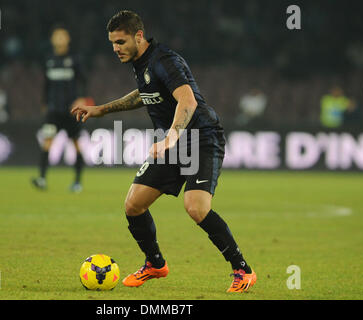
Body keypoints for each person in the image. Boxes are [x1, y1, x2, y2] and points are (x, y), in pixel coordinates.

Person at [71, 10, 256, 293]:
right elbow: (143, 94)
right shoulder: (139, 63)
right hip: (174, 142)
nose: (115, 49)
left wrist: (170, 137)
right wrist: (101, 109)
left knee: (196, 207)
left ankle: (242, 269)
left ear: (139, 36)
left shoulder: (164, 60)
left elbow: (188, 100)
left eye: (120, 42)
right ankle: (155, 264)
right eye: (112, 43)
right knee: (133, 205)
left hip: (201, 138)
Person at [32, 25, 89, 192]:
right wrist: (44, 103)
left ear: (68, 39)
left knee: (77, 144)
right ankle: (42, 179)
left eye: (62, 36)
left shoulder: (74, 59)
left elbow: (83, 81)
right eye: (57, 36)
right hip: (53, 111)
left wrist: (81, 98)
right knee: (47, 142)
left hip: (71, 111)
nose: (59, 39)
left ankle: (77, 182)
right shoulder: (49, 60)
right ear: (52, 40)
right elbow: (46, 84)